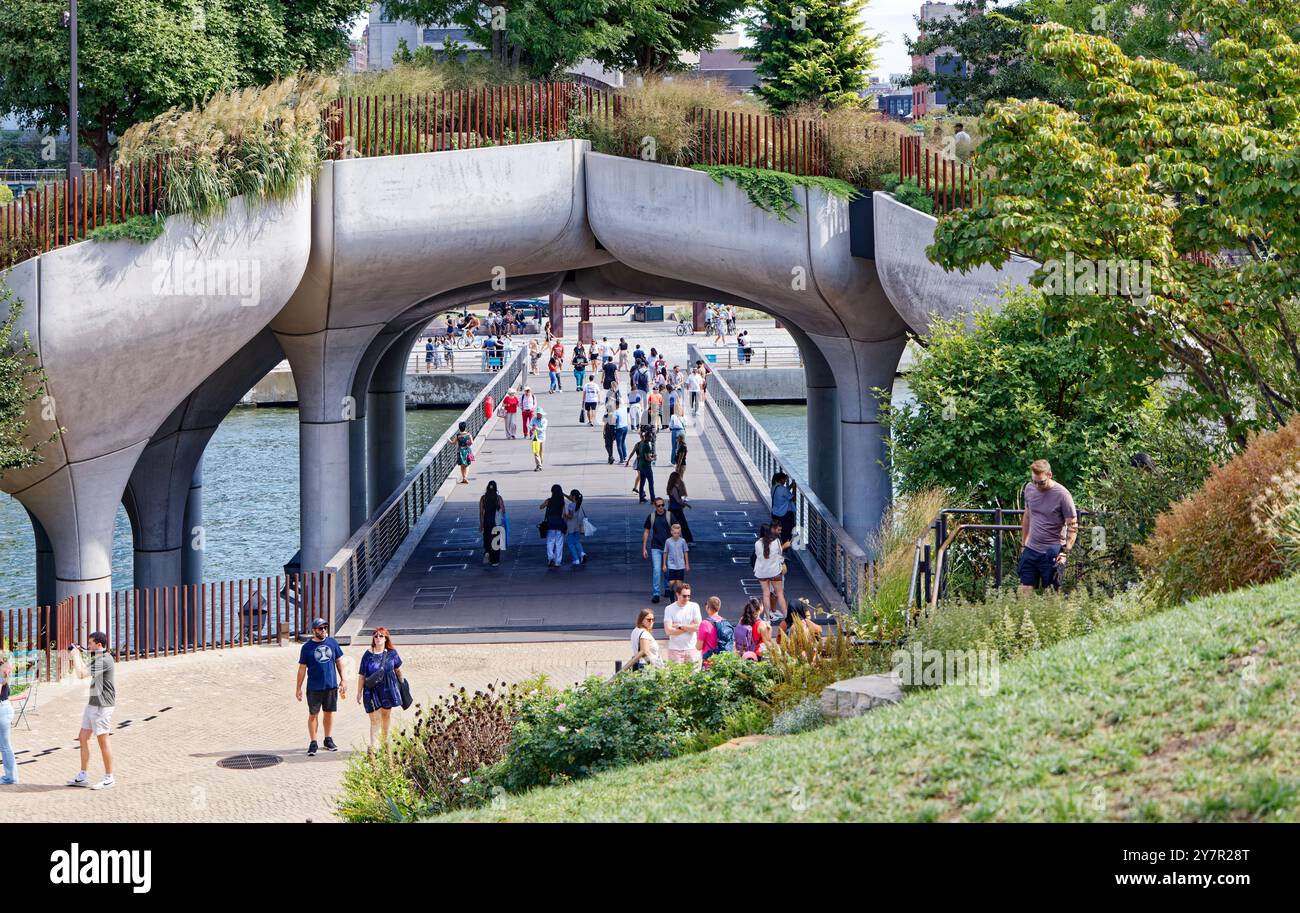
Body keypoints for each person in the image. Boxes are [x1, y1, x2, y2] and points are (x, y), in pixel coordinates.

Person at [65, 632, 118, 789]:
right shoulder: (99, 658)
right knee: (83, 737)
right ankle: (83, 776)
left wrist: (75, 654)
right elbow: (82, 669)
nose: (88, 646)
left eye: (90, 644)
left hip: (103, 705)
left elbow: (81, 674)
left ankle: (109, 777)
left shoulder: (105, 660)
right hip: (92, 704)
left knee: (103, 740)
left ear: (99, 645)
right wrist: (78, 654)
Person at [1018, 458, 1079, 593]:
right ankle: (1023, 614)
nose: (1037, 486)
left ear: (1049, 475)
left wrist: (1065, 552)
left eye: (1041, 482)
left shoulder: (1063, 495)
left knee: (1051, 594)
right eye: (1034, 481)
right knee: (1023, 590)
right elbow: (1027, 516)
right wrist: (1023, 544)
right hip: (1031, 549)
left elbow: (1073, 525)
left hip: (1052, 550)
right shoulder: (1029, 488)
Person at [296, 619, 346, 757]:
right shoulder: (306, 648)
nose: (323, 630)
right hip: (314, 687)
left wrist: (343, 680)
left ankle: (328, 739)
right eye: (320, 628)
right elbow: (302, 669)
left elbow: (339, 662)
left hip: (331, 685)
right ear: (314, 630)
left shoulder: (332, 643)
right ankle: (313, 742)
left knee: (329, 712)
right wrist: (298, 688)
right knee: (313, 714)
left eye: (325, 627)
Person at [355, 627, 405, 752]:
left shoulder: (392, 653)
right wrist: (359, 692)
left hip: (388, 689)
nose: (378, 638)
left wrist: (403, 686)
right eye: (375, 636)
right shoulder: (368, 655)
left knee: (385, 715)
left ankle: (385, 742)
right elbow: (362, 675)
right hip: (371, 690)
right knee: (374, 719)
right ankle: (374, 746)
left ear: (386, 638)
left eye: (381, 636)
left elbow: (397, 670)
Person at [753, 523, 789, 625]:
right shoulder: (776, 541)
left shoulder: (757, 543)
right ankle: (786, 616)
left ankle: (767, 618)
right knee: (780, 594)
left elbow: (758, 556)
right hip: (775, 571)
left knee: (766, 594)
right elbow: (780, 553)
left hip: (762, 572)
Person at [662, 582, 702, 668]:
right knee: (676, 679)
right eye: (684, 596)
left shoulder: (694, 606)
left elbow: (699, 627)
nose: (687, 598)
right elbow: (668, 631)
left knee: (694, 678)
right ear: (677, 594)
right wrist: (690, 627)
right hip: (675, 649)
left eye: (689, 596)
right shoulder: (669, 609)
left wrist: (680, 626)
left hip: (691, 648)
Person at [641, 497, 672, 603]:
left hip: (668, 548)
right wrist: (644, 547)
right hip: (656, 547)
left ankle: (667, 588)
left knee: (667, 569)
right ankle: (656, 593)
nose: (661, 507)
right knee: (657, 570)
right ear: (655, 506)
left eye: (662, 505)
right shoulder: (652, 517)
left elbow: (677, 528)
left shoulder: (669, 515)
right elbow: (646, 532)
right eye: (658, 505)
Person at [698, 597, 735, 664]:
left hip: (709, 661)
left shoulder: (704, 623)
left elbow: (699, 646)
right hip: (723, 661)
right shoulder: (725, 622)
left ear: (707, 607)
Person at [540, 484, 567, 567]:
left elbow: (541, 507)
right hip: (559, 524)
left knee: (550, 542)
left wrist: (545, 504)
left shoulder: (549, 500)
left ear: (552, 492)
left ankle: (551, 557)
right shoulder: (562, 502)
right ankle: (558, 562)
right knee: (559, 543)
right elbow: (564, 515)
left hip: (550, 524)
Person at [480, 479, 506, 566]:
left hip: (487, 520)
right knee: (495, 541)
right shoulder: (498, 498)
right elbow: (503, 510)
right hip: (496, 522)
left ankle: (487, 551)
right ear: (496, 488)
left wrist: (481, 524)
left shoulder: (483, 498)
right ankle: (495, 561)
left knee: (487, 538)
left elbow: (481, 512)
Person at [0, 650, 16, 784]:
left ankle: (10, 777)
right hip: (5, 707)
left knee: (5, 746)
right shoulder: (4, 669)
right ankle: (11, 776)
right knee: (5, 745)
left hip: (2, 710)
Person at [770, 471, 797, 548]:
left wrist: (791, 485)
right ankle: (784, 549)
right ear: (781, 480)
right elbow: (793, 498)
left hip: (775, 513)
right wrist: (794, 487)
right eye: (784, 479)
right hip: (784, 515)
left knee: (779, 532)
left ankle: (779, 547)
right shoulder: (782, 489)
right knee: (787, 532)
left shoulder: (774, 487)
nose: (785, 481)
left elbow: (784, 491)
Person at [666, 469, 693, 543]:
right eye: (678, 478)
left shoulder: (671, 487)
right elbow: (678, 500)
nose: (679, 479)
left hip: (672, 509)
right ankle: (689, 541)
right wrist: (686, 504)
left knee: (672, 526)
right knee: (684, 525)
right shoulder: (674, 488)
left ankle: (670, 540)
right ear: (675, 479)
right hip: (676, 510)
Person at [564, 488, 590, 567]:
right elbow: (570, 498)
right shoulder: (578, 503)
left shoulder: (571, 505)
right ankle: (582, 553)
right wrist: (564, 494)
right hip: (576, 525)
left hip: (570, 526)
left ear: (573, 496)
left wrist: (564, 514)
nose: (569, 496)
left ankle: (576, 559)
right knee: (577, 542)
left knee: (570, 543)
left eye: (570, 495)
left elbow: (570, 516)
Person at [632, 428, 657, 503]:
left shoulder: (642, 443)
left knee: (642, 482)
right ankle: (653, 499)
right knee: (651, 483)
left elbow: (642, 454)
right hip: (646, 467)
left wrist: (650, 455)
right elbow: (647, 458)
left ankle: (641, 498)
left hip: (641, 465)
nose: (651, 438)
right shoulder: (646, 446)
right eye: (650, 437)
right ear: (647, 437)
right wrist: (653, 458)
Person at [613, 394, 630, 463]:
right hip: (625, 427)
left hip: (619, 428)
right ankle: (625, 456)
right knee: (623, 442)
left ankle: (621, 459)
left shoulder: (616, 412)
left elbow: (614, 422)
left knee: (619, 444)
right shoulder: (623, 409)